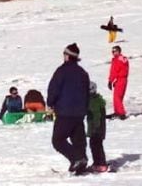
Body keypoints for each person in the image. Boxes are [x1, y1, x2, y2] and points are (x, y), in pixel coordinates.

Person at [46, 43, 90, 174]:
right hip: (79, 113)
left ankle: (77, 158)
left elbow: (53, 89)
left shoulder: (61, 71)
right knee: (78, 140)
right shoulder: (82, 73)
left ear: (67, 56)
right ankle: (80, 164)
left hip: (65, 112)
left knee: (58, 140)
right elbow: (87, 93)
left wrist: (50, 103)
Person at [87, 81, 109, 172]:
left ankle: (100, 163)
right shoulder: (96, 99)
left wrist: (95, 127)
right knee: (96, 145)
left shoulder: (94, 101)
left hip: (96, 128)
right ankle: (98, 162)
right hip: (98, 127)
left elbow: (96, 115)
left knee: (96, 146)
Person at [108, 45, 129, 118]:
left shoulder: (117, 60)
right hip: (122, 79)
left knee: (117, 97)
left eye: (115, 51)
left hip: (121, 79)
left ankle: (121, 113)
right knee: (117, 96)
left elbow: (114, 71)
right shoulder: (123, 59)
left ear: (119, 51)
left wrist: (110, 81)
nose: (113, 53)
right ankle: (117, 111)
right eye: (112, 51)